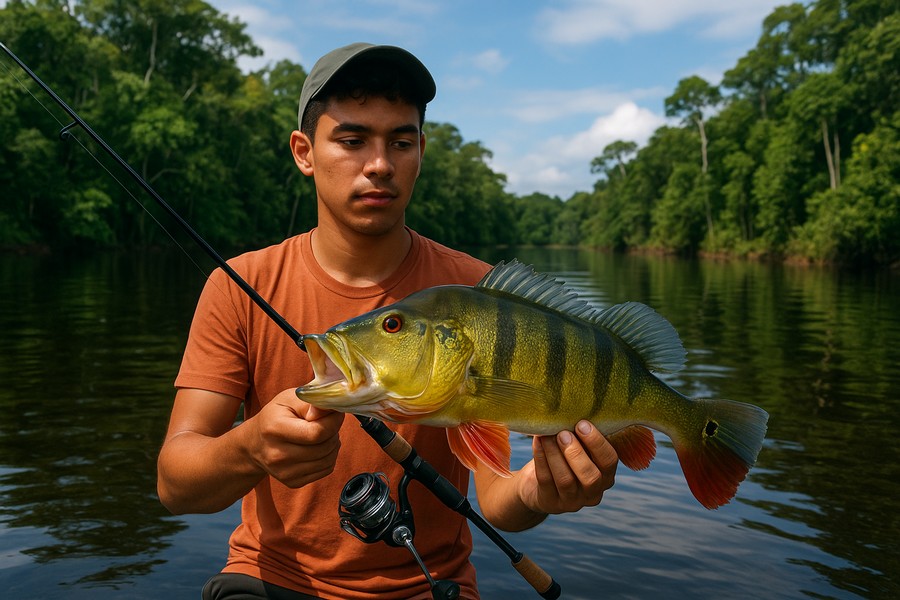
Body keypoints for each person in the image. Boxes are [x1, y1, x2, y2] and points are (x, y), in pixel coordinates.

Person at [156, 42, 619, 600]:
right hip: (269, 580)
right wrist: (248, 447)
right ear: (304, 152)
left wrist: (540, 489)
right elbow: (175, 485)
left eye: (400, 142)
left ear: (420, 151)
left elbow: (497, 501)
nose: (379, 164)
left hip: (429, 587)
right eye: (352, 141)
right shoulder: (238, 286)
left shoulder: (479, 293)